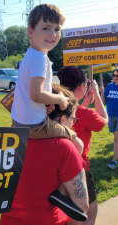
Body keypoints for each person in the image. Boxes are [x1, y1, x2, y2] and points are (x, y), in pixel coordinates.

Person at [9, 3, 85, 219]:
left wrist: (45, 103)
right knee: (76, 142)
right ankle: (62, 192)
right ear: (30, 31)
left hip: (19, 123)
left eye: (57, 29)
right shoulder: (40, 58)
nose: (53, 34)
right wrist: (59, 98)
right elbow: (35, 94)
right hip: (34, 126)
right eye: (46, 28)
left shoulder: (30, 55)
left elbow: (32, 95)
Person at [0, 85, 89, 225]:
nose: (73, 124)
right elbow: (81, 206)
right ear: (62, 119)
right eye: (73, 119)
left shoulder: (5, 141)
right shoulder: (64, 148)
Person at [58, 66, 108, 225]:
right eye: (85, 86)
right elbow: (103, 121)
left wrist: (85, 101)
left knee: (64, 214)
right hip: (80, 170)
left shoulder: (54, 108)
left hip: (58, 169)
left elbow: (76, 112)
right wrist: (97, 94)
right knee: (89, 215)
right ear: (80, 87)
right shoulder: (85, 114)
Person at [100, 68, 118, 170]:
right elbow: (103, 101)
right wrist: (102, 92)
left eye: (117, 76)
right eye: (114, 75)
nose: (115, 78)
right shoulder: (109, 86)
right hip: (110, 115)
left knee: (116, 138)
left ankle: (114, 161)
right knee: (116, 138)